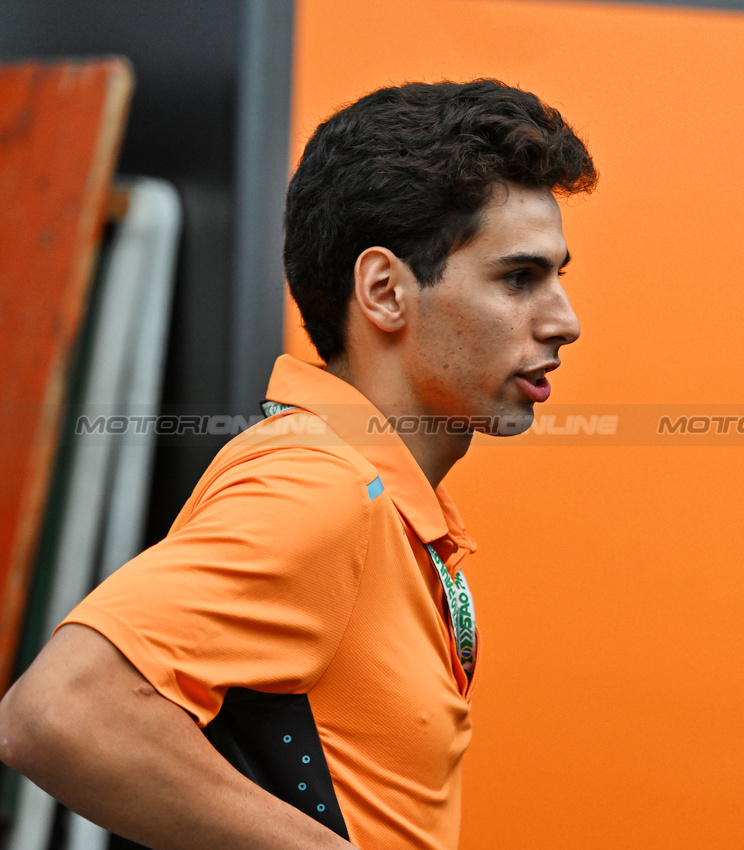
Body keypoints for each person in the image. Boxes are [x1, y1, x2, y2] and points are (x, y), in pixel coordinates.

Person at [0, 79, 596, 850]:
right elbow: (60, 712)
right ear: (384, 291)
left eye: (558, 276)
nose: (565, 321)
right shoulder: (319, 484)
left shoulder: (370, 491)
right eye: (519, 278)